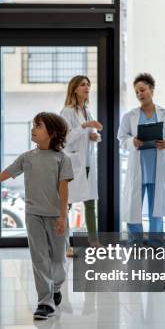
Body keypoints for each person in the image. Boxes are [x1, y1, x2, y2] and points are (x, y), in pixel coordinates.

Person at [0, 112, 73, 320]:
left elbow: (64, 191)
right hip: (33, 215)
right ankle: (45, 301)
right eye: (33, 125)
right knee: (39, 258)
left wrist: (62, 216)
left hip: (56, 216)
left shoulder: (62, 159)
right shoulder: (27, 158)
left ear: (51, 132)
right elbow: (2, 175)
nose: (33, 129)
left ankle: (55, 287)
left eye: (38, 126)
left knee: (58, 259)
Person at [118, 73, 165, 247]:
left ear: (151, 90)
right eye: (137, 92)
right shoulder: (129, 116)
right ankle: (135, 242)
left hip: (157, 169)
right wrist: (132, 141)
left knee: (156, 209)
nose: (140, 94)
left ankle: (156, 242)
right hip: (138, 168)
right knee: (133, 208)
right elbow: (121, 138)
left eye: (142, 90)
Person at [60, 75, 102, 255]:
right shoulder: (67, 112)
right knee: (66, 204)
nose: (87, 87)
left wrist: (95, 137)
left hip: (87, 162)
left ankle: (94, 241)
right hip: (74, 162)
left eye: (88, 84)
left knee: (90, 203)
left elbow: (91, 136)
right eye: (83, 84)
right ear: (74, 89)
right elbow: (66, 139)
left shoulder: (87, 110)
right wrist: (85, 126)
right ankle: (64, 245)